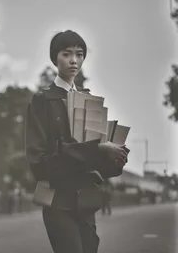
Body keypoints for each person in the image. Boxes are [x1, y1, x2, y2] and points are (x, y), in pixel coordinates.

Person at [26, 30, 129, 253]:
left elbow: (98, 165)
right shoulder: (42, 100)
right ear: (55, 58)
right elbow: (39, 163)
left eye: (79, 54)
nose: (74, 60)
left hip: (86, 203)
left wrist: (115, 156)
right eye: (66, 54)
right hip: (57, 202)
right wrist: (98, 149)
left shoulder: (88, 99)